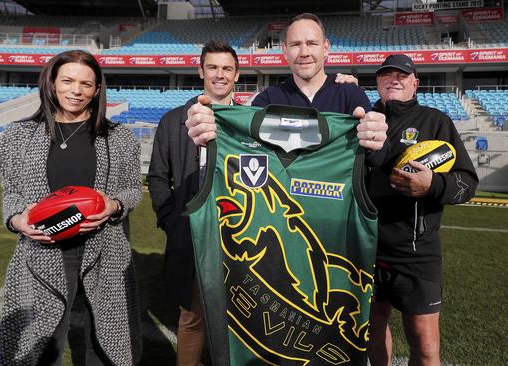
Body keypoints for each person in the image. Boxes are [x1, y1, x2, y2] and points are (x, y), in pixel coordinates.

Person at [0, 50, 142, 365]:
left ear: (97, 90)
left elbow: (131, 190)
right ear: (51, 82)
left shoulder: (120, 138)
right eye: (68, 81)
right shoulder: (17, 137)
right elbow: (12, 193)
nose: (77, 90)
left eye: (87, 84)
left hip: (105, 251)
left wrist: (113, 204)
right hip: (42, 252)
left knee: (105, 346)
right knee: (41, 345)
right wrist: (18, 218)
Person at [366, 54, 479, 366]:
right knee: (371, 333)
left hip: (416, 252)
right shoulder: (363, 122)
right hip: (365, 249)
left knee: (426, 346)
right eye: (386, 75)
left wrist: (432, 186)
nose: (394, 80)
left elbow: (467, 183)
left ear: (415, 83)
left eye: (402, 75)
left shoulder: (435, 121)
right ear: (377, 82)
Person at [147, 40, 241, 366]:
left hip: (241, 237)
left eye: (226, 69)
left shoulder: (248, 122)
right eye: (212, 67)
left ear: (236, 75)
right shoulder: (173, 121)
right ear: (200, 70)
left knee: (243, 320)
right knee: (192, 317)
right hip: (191, 235)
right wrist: (171, 221)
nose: (219, 75)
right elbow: (158, 178)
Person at [186, 12, 388, 158]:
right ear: (284, 51)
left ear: (326, 48)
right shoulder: (268, 99)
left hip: (336, 214)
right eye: (295, 45)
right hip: (282, 213)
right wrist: (208, 126)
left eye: (312, 43)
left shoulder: (351, 95)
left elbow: (378, 159)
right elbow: (239, 142)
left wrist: (375, 141)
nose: (304, 53)